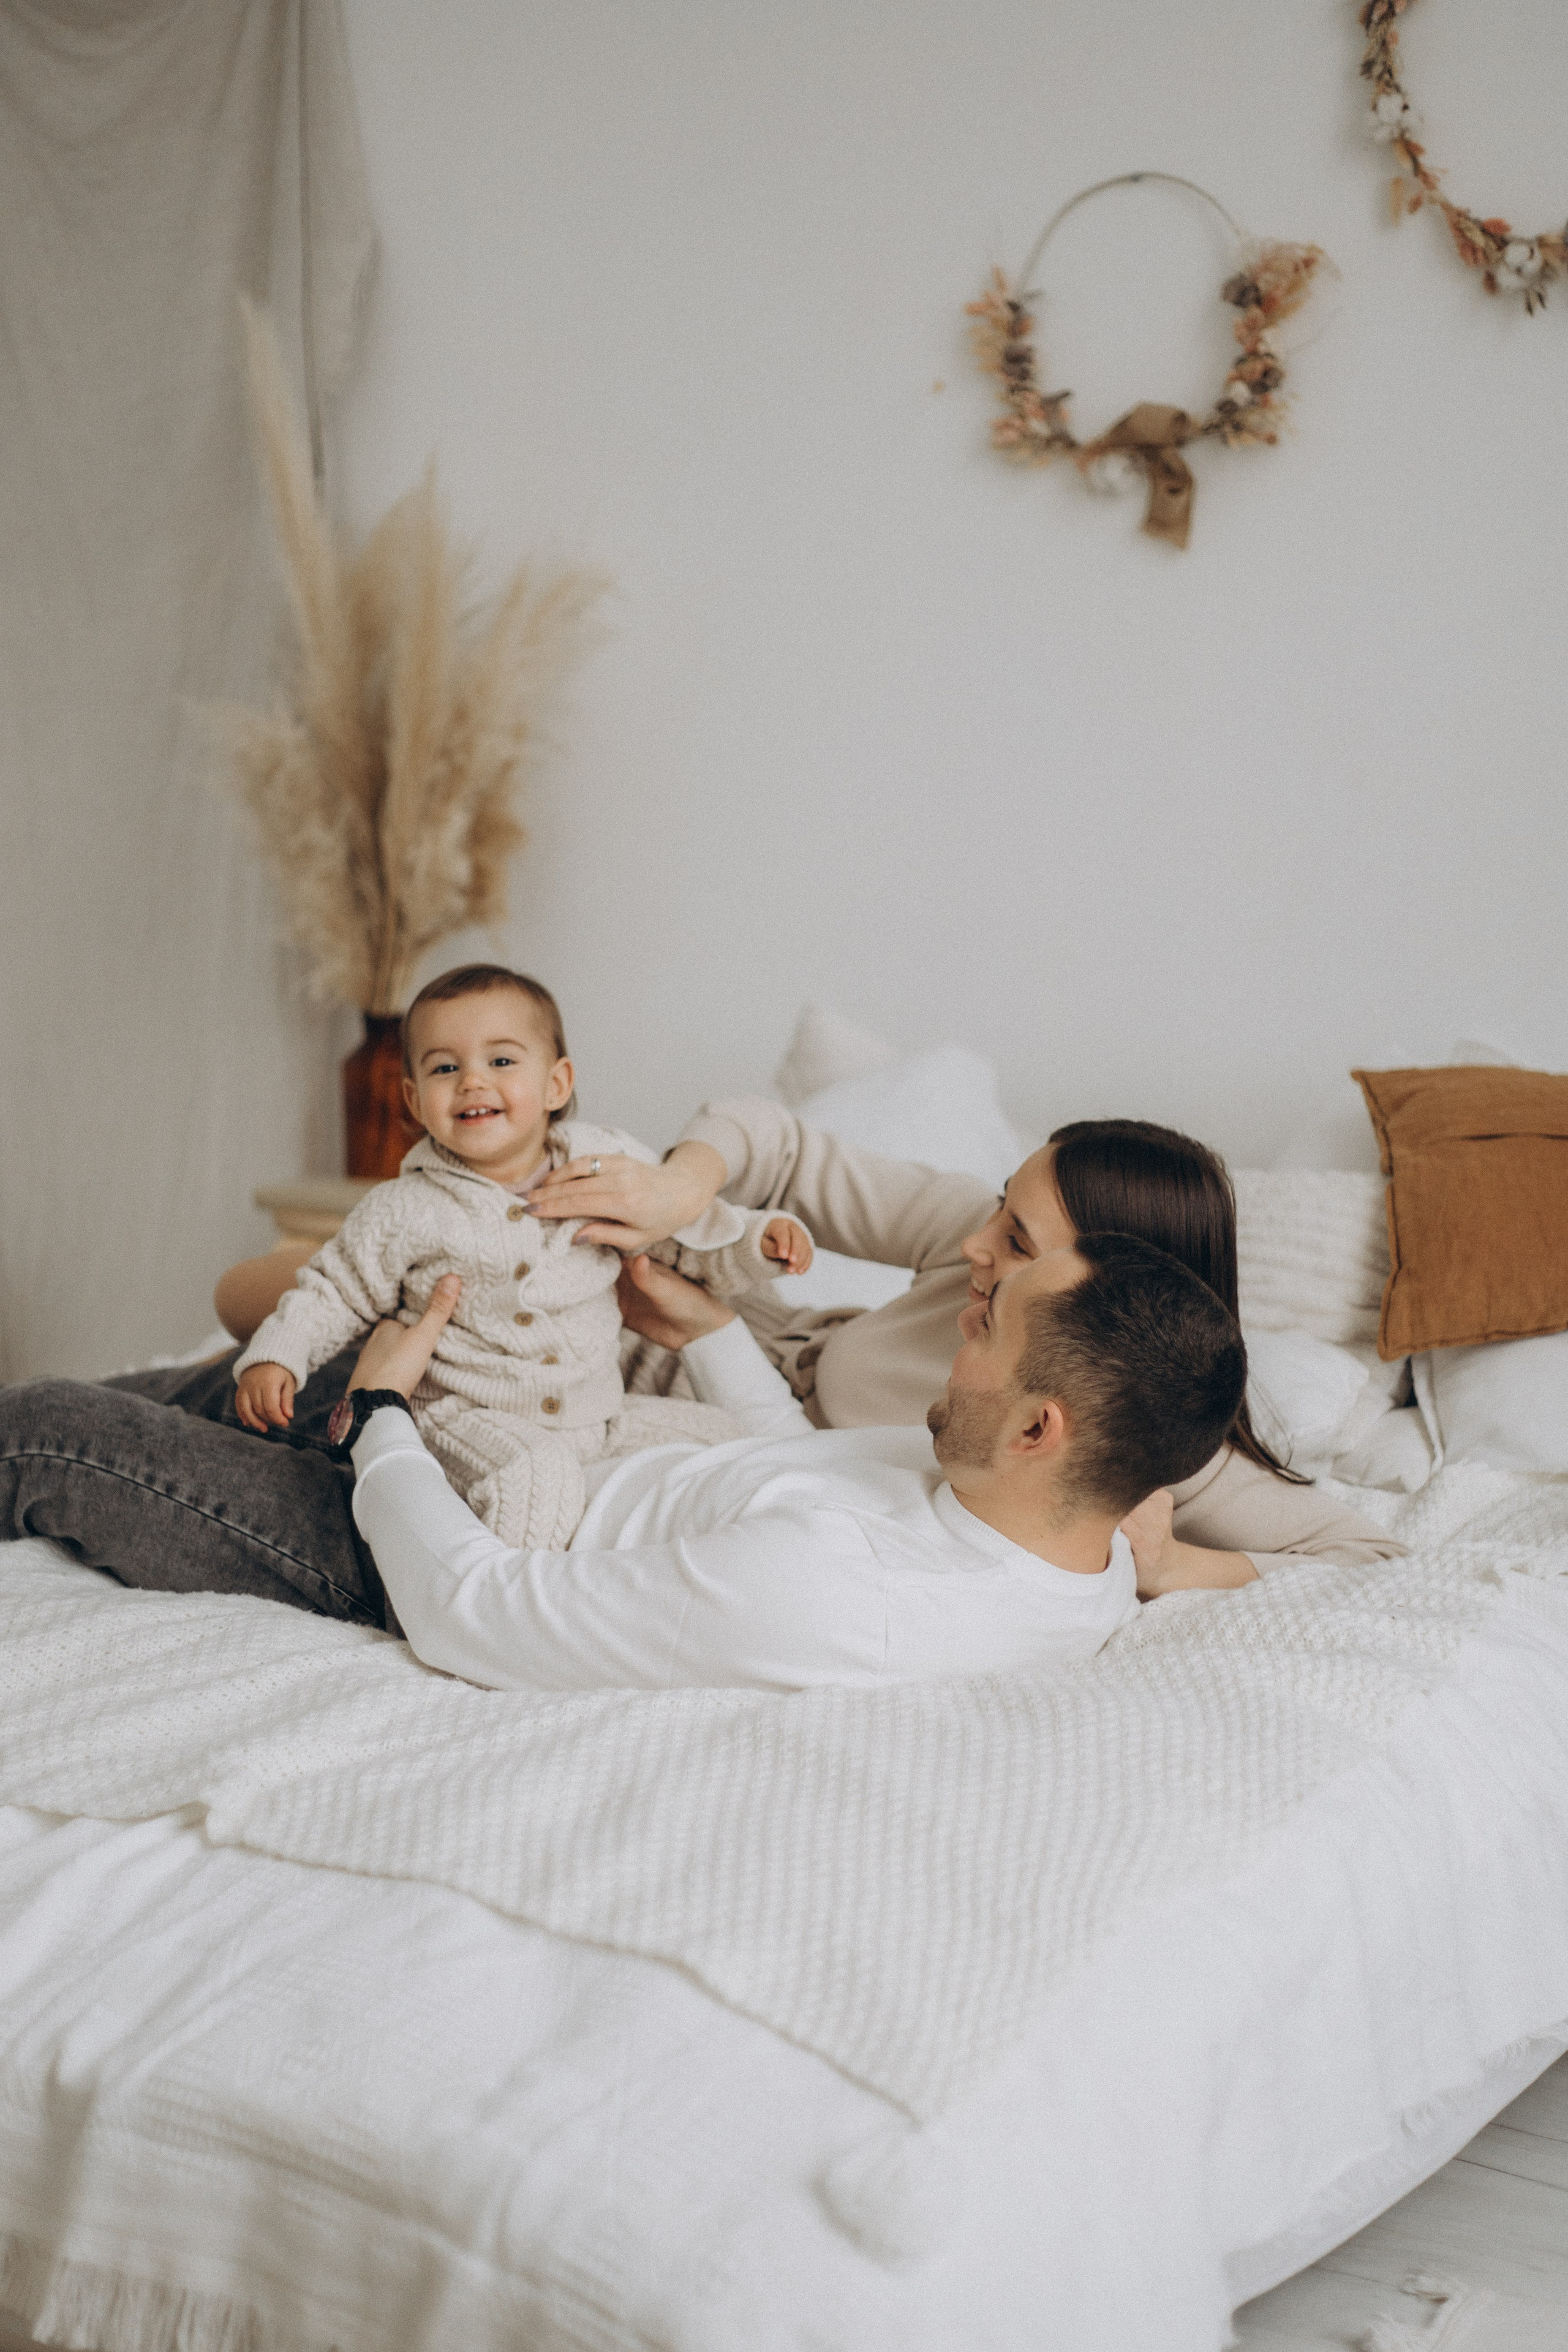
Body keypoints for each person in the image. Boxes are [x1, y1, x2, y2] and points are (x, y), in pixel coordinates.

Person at [199, 1227, 1247, 1691]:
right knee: (232, 1351)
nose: (961, 1327)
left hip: (430, 1529)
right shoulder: (1072, 1537)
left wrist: (381, 1412)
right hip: (555, 1440)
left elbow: (471, 1610)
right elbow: (805, 1479)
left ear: (1037, 1431)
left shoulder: (842, 1593)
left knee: (99, 1436)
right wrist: (711, 1335)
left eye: (989, 1330)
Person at [230, 963, 813, 1549]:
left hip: (597, 1416)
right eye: (445, 1068)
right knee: (534, 1479)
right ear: (414, 1099)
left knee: (728, 1443)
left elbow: (682, 1234)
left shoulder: (599, 1166)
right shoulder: (405, 1207)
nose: (472, 1081)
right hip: (466, 1416)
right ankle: (477, 1599)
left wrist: (757, 1241)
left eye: (502, 1061)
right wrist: (280, 1355)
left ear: (557, 1084)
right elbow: (334, 1289)